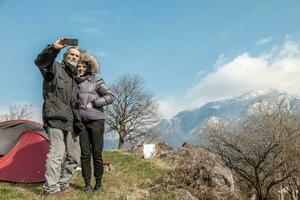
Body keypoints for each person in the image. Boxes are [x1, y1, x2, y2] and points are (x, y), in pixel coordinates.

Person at [34, 37, 81, 195]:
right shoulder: (54, 68)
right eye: (71, 54)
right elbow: (40, 62)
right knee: (57, 154)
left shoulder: (75, 79)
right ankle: (51, 189)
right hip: (55, 117)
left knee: (75, 156)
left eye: (77, 56)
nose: (74, 57)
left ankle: (63, 182)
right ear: (65, 55)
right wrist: (54, 48)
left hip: (72, 121)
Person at [76, 52, 114, 192]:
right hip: (81, 123)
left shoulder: (97, 81)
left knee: (96, 153)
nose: (80, 68)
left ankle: (98, 184)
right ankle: (87, 184)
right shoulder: (74, 82)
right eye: (78, 66)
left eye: (83, 66)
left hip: (96, 121)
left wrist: (95, 102)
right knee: (84, 154)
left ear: (88, 67)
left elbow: (110, 96)